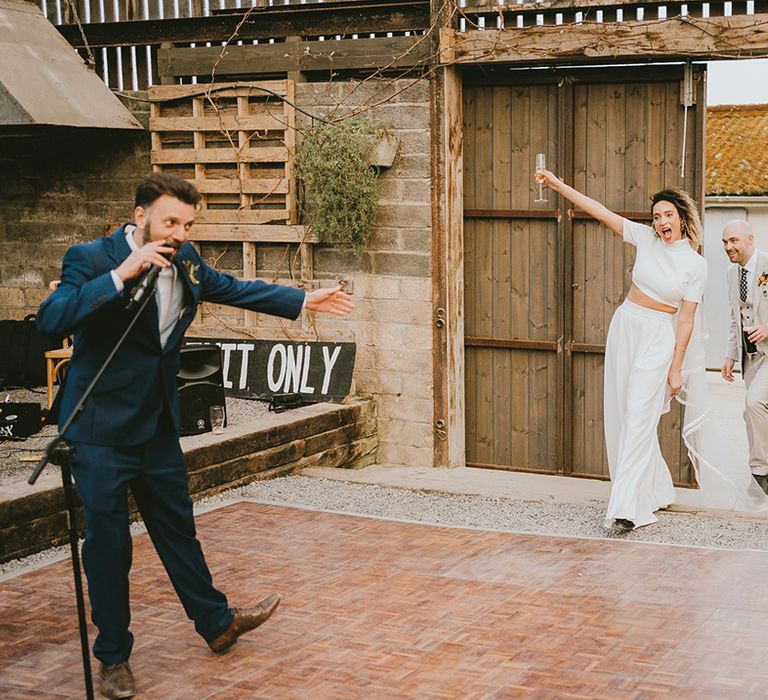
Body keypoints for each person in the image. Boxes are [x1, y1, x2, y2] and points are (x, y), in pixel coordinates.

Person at [36, 173, 354, 699]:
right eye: (170, 221)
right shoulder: (90, 258)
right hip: (98, 433)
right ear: (140, 216)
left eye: (187, 223)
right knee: (110, 549)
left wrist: (301, 300)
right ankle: (114, 658)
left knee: (178, 531)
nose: (180, 232)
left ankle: (217, 623)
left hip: (157, 426)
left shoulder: (186, 260)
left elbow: (231, 287)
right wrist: (121, 274)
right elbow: (51, 320)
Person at [536, 169, 707, 530]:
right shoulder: (645, 239)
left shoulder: (696, 265)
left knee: (638, 413)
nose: (661, 221)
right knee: (622, 413)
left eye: (668, 215)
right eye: (657, 215)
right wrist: (556, 184)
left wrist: (676, 369)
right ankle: (657, 488)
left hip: (658, 338)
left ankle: (628, 507)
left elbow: (687, 321)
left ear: (682, 218)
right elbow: (599, 210)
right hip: (625, 326)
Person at [722, 219, 768, 493]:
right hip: (751, 357)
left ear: (750, 239)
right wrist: (730, 355)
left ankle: (760, 469)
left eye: (734, 241)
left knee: (753, 404)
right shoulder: (731, 273)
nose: (729, 247)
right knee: (752, 411)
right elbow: (734, 317)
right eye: (725, 242)